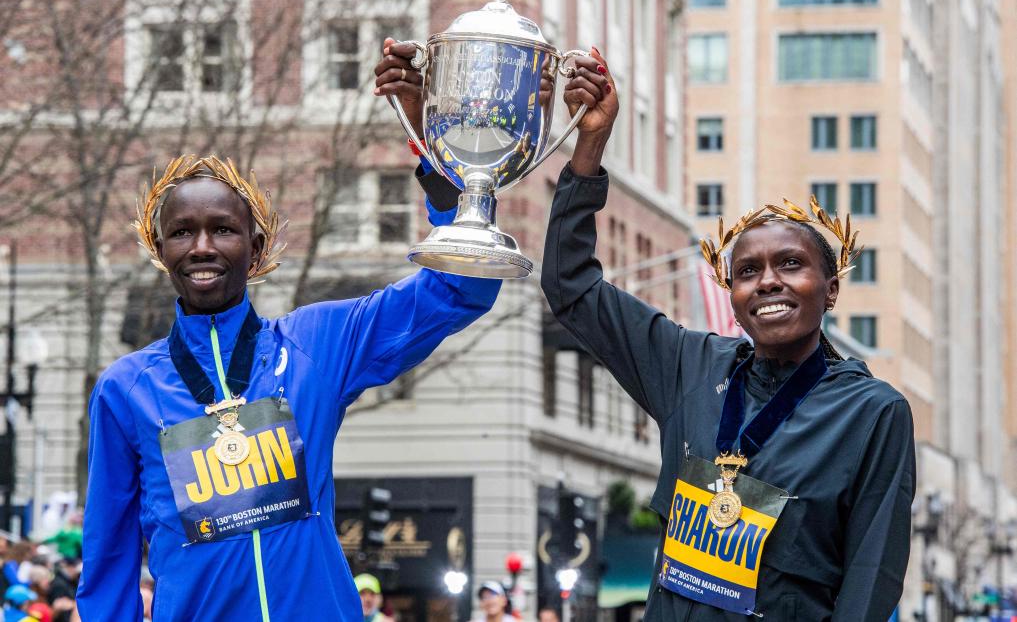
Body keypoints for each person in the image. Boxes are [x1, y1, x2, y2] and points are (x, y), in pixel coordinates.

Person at [537, 50, 916, 619]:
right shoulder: (688, 365)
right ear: (733, 297)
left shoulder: (874, 413)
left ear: (831, 289)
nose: (768, 282)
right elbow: (571, 287)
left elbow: (870, 581)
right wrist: (590, 145)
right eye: (747, 271)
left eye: (791, 264)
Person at [76, 153, 501, 620]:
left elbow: (462, 289)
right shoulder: (125, 390)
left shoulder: (315, 344)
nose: (201, 247)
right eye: (181, 232)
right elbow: (109, 561)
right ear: (160, 250)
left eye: (223, 229)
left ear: (256, 248)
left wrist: (439, 166)